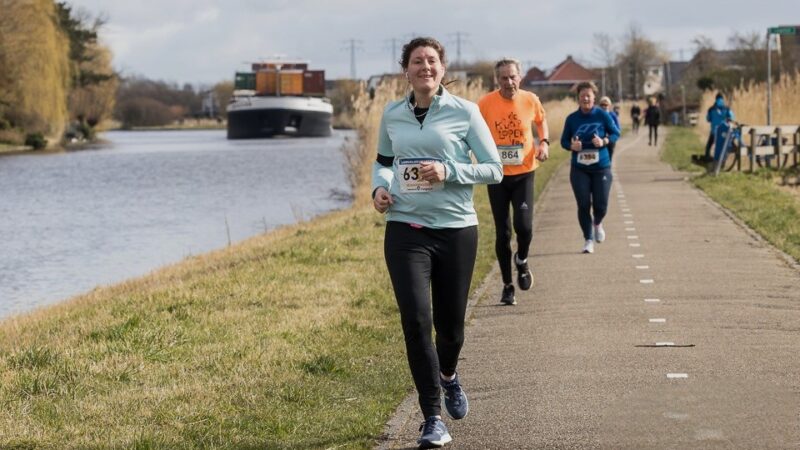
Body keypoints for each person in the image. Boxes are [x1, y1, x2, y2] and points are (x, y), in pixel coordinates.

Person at [371, 37, 502, 449]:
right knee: (415, 321)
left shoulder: (465, 112)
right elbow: (384, 163)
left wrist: (448, 171)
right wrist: (379, 189)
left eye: (431, 61)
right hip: (406, 229)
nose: (425, 67)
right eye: (416, 61)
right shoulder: (392, 114)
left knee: (451, 330)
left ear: (442, 69)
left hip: (455, 230)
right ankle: (432, 418)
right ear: (405, 71)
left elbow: (494, 169)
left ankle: (448, 375)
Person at [477, 58, 549, 306]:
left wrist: (544, 142)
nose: (509, 82)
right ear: (497, 80)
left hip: (524, 171)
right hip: (496, 175)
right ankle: (508, 286)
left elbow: (541, 120)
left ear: (520, 77)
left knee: (525, 227)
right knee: (503, 232)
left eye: (513, 77)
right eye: (504, 78)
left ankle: (523, 259)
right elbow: (473, 130)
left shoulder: (530, 99)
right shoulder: (486, 103)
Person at [560, 81, 620, 254]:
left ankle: (598, 222)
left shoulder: (602, 115)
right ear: (578, 98)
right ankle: (588, 239)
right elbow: (564, 141)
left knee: (601, 205)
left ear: (594, 97)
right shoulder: (572, 119)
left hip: (601, 166)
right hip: (579, 168)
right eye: (582, 96)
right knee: (583, 204)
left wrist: (604, 141)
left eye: (588, 95)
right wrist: (572, 146)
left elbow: (615, 133)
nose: (585, 98)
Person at [704, 92, 735, 160]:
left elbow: (708, 119)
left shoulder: (711, 109)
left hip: (714, 131)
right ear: (723, 99)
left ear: (716, 99)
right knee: (725, 145)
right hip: (724, 131)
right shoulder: (727, 108)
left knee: (709, 146)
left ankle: (707, 158)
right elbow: (732, 117)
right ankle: (723, 159)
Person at [599, 96, 621, 161]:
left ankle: (608, 169)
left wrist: (611, 136)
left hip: (610, 140)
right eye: (602, 105)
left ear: (609, 106)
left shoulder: (613, 115)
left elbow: (618, 128)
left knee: (609, 157)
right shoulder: (597, 115)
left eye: (606, 105)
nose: (604, 106)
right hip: (600, 140)